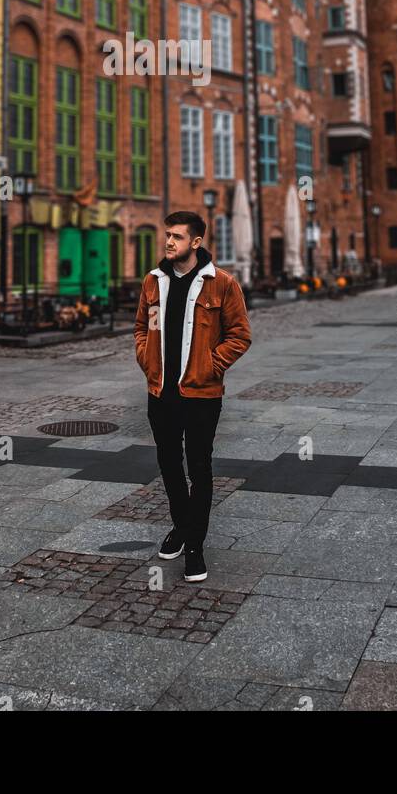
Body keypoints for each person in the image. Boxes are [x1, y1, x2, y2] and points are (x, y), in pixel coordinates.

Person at [133, 210, 251, 582]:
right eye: (167, 235)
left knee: (199, 469)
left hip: (201, 395)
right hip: (161, 392)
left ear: (196, 243)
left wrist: (210, 366)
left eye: (177, 237)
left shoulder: (222, 284)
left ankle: (195, 546)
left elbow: (240, 335)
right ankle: (181, 527)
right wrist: (147, 359)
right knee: (168, 464)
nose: (169, 242)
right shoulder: (152, 282)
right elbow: (142, 326)